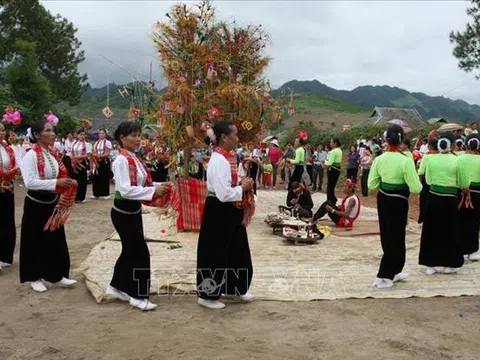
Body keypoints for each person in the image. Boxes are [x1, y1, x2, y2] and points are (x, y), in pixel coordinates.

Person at [106, 122, 170, 311]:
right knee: (139, 253)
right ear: (122, 138)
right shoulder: (121, 161)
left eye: (138, 135)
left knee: (129, 251)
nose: (137, 139)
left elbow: (141, 183)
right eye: (132, 135)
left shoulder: (134, 158)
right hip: (123, 212)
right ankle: (137, 295)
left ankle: (116, 286)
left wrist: (159, 185)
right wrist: (153, 191)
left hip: (133, 211)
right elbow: (125, 190)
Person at [196, 121, 255, 309]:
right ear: (224, 137)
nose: (238, 138)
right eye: (235, 134)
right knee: (214, 253)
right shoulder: (218, 160)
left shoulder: (228, 158)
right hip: (219, 208)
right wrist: (242, 187)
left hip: (231, 209)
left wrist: (242, 183)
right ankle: (207, 295)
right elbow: (223, 193)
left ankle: (234, 287)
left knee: (237, 250)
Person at [20, 120, 77, 292]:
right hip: (36, 204)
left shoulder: (51, 153)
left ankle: (56, 275)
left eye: (53, 131)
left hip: (52, 202)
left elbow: (57, 175)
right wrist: (56, 182)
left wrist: (65, 183)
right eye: (48, 131)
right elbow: (30, 182)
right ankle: (34, 276)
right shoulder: (30, 155)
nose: (53, 134)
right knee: (34, 240)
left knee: (55, 239)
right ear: (37, 135)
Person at [368, 124, 422, 288]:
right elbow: (416, 188)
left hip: (383, 199)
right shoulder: (406, 161)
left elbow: (372, 184)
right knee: (397, 236)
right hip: (399, 201)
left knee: (387, 234)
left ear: (385, 140)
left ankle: (395, 270)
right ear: (400, 142)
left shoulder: (379, 159)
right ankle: (384, 275)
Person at [419, 132, 470, 275]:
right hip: (450, 198)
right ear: (453, 145)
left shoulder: (431, 160)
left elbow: (428, 180)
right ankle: (450, 264)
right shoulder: (458, 161)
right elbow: (464, 183)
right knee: (450, 231)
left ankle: (430, 264)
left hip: (433, 197)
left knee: (431, 230)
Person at [457, 134, 480, 261]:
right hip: (477, 193)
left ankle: (460, 248)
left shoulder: (459, 159)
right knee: (475, 222)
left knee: (461, 220)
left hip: (461, 193)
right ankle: (473, 250)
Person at [0, 123, 19, 270]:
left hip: (8, 188)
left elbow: (13, 167)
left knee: (7, 221)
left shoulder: (8, 149)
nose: (1, 133)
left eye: (2, 130)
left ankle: (6, 256)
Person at [417, 138, 438, 224]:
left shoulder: (426, 157)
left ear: (429, 146)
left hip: (426, 181)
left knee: (424, 201)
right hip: (436, 181)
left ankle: (423, 219)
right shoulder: (440, 156)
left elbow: (421, 172)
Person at [91, 129, 112, 199]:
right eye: (100, 133)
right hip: (97, 161)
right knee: (96, 177)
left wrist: (100, 156)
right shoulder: (96, 143)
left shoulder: (107, 142)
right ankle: (96, 193)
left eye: (103, 133)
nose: (101, 135)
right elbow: (94, 151)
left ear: (105, 134)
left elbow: (108, 152)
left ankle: (106, 193)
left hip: (104, 160)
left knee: (105, 177)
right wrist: (95, 157)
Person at [71, 130, 92, 203]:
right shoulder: (74, 143)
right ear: (77, 135)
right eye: (80, 134)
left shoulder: (87, 144)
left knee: (82, 180)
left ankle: (81, 197)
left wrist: (78, 157)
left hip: (82, 162)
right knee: (75, 179)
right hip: (74, 163)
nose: (82, 136)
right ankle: (74, 196)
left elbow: (88, 155)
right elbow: (71, 152)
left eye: (83, 135)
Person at [323, 138, 342, 204]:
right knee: (332, 186)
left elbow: (329, 163)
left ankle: (330, 200)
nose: (330, 143)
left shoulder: (333, 151)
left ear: (335, 143)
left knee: (330, 187)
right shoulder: (339, 150)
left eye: (331, 142)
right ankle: (333, 199)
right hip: (337, 169)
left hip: (333, 169)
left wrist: (324, 161)